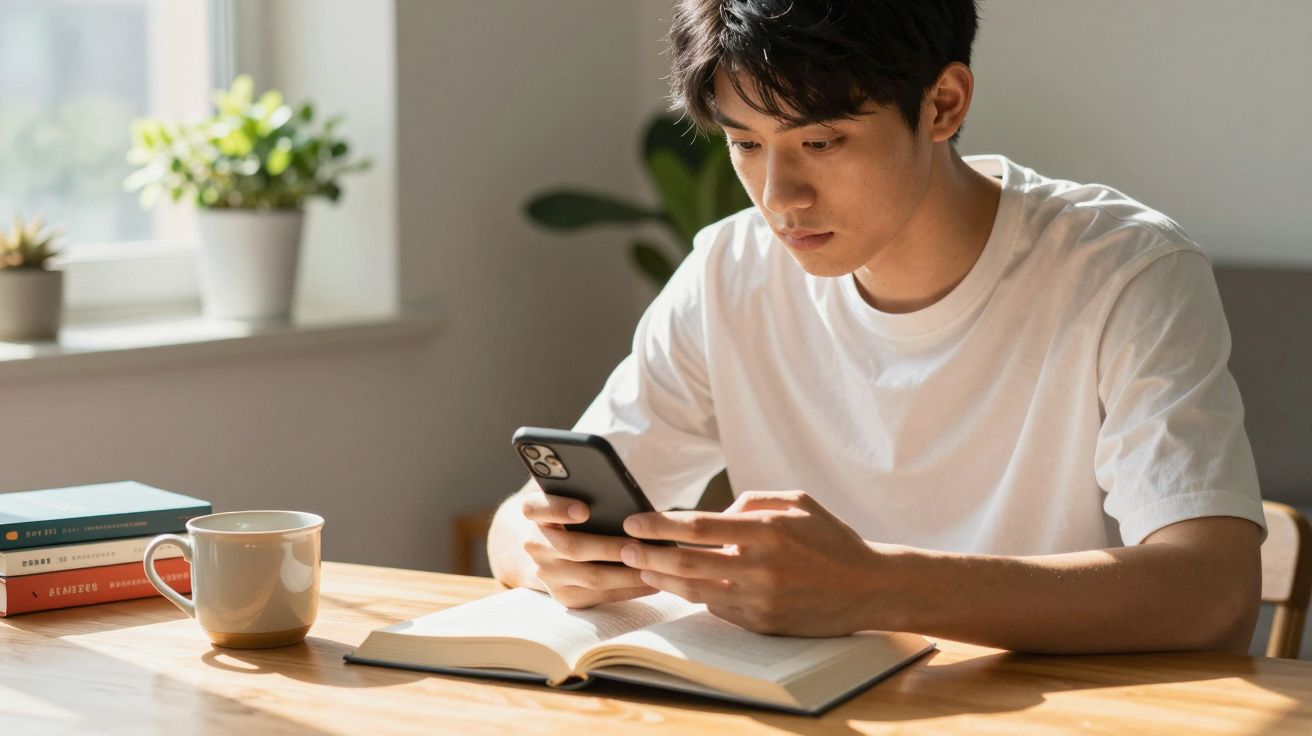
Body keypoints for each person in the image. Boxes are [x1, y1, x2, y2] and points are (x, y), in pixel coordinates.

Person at [487, 0, 1266, 654]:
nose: (779, 196)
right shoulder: (728, 272)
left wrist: (879, 588)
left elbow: (1212, 587)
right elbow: (513, 527)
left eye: (821, 142)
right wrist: (549, 554)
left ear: (943, 105)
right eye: (745, 144)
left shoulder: (1123, 268)